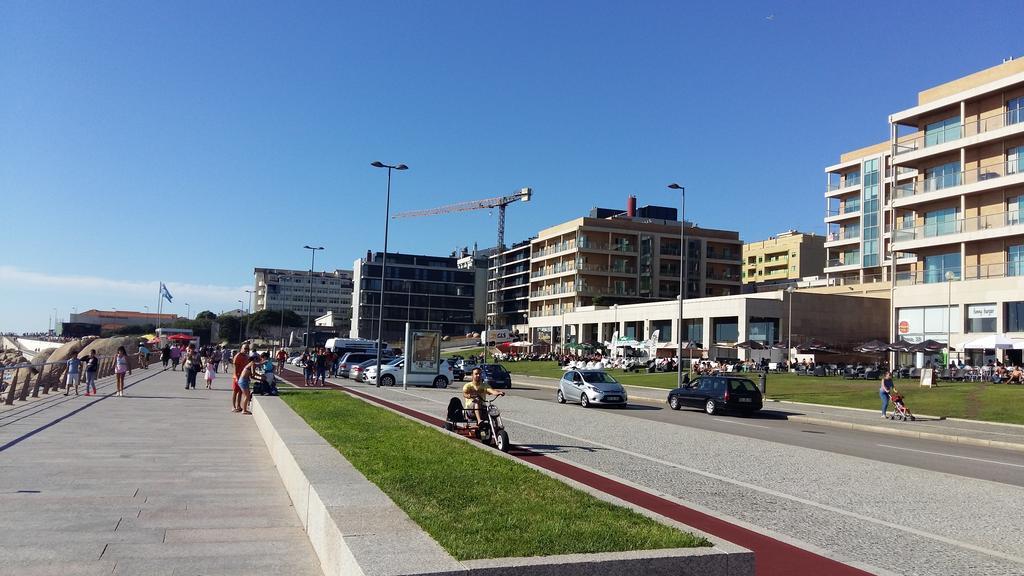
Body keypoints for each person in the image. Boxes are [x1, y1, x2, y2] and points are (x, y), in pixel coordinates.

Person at [231, 344, 250, 412]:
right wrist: (236, 377)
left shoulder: (246, 357)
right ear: (241, 348)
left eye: (247, 349)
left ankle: (238, 406)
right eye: (245, 348)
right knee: (235, 392)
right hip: (237, 376)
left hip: (243, 377)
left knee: (240, 392)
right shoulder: (238, 356)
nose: (246, 350)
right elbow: (235, 368)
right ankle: (233, 406)